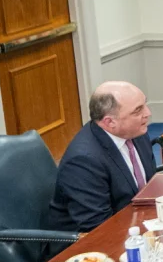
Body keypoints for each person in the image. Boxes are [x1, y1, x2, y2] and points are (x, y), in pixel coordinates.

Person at [46, 82, 155, 232]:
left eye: (145, 104)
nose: (147, 113)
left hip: (137, 222)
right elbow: (98, 227)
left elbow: (150, 186)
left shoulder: (136, 132)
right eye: (137, 110)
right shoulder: (84, 161)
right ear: (110, 122)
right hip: (88, 246)